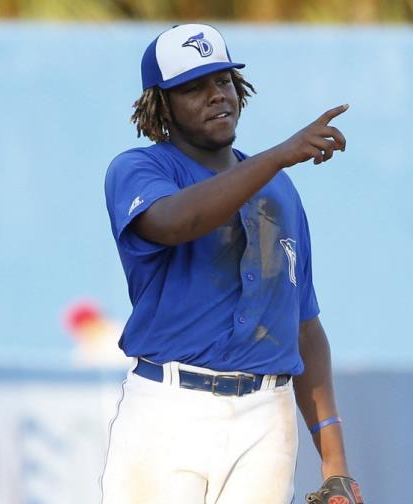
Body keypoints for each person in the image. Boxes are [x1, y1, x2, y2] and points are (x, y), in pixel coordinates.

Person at [101, 23, 362, 504]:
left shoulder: (280, 190)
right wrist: (277, 157)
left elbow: (303, 326)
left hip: (267, 416)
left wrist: (335, 463)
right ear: (162, 105)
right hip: (168, 410)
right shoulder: (139, 169)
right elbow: (175, 222)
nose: (215, 95)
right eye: (193, 87)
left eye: (222, 80)